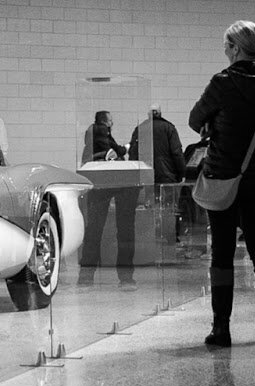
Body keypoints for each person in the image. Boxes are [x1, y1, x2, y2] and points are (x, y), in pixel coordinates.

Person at [189, 20, 255, 346]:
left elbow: (194, 118)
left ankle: (221, 328)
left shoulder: (223, 81)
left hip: (222, 174)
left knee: (222, 252)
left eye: (225, 45)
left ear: (234, 48)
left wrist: (215, 121)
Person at [79, 111, 139, 288]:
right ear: (106, 121)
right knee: (125, 229)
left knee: (94, 229)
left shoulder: (92, 133)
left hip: (98, 182)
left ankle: (86, 276)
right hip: (112, 180)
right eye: (111, 119)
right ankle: (126, 277)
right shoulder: (101, 132)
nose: (113, 122)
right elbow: (114, 150)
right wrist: (125, 149)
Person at [130, 105, 187, 242]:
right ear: (160, 113)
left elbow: (132, 152)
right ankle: (170, 235)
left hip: (146, 174)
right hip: (166, 174)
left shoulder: (140, 128)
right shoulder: (169, 128)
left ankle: (150, 235)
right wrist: (182, 172)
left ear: (148, 114)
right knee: (169, 206)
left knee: (149, 204)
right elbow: (176, 152)